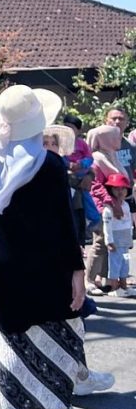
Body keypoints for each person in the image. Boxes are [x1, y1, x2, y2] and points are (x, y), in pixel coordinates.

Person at [0, 85, 98, 409]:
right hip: (44, 263)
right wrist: (78, 271)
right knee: (63, 329)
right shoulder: (46, 164)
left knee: (10, 340)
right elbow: (62, 224)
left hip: (3, 261)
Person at [86, 125, 125, 295]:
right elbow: (96, 186)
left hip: (114, 206)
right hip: (102, 208)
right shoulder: (97, 159)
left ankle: (104, 279)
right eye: (114, 137)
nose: (118, 140)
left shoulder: (111, 156)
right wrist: (111, 203)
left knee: (111, 243)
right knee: (101, 243)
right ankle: (89, 279)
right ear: (105, 139)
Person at [102, 172, 134, 297]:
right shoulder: (109, 208)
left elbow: (128, 224)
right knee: (115, 263)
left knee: (125, 263)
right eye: (116, 188)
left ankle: (124, 285)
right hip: (115, 240)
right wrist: (109, 241)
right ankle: (114, 287)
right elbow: (107, 226)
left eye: (123, 188)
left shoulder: (125, 205)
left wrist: (130, 240)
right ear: (111, 189)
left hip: (125, 240)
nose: (120, 191)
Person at [105, 104, 135, 181]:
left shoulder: (132, 146)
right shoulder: (97, 145)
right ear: (106, 121)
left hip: (127, 191)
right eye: (114, 118)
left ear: (127, 123)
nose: (117, 122)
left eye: (121, 119)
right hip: (103, 190)